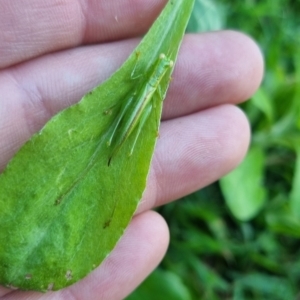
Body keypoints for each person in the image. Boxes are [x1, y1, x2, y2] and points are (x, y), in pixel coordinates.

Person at [0, 0, 263, 299]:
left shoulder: (157, 80)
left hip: (141, 105)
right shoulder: (154, 75)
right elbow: (142, 82)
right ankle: (117, 143)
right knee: (124, 110)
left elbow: (151, 86)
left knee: (137, 120)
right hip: (133, 100)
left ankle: (122, 146)